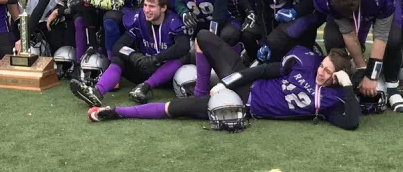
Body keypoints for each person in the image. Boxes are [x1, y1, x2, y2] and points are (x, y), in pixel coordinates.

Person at [87, 30, 359, 131]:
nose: (320, 72)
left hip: (240, 106)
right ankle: (202, 88)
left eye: (327, 71)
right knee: (204, 37)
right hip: (245, 85)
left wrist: (347, 86)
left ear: (338, 77)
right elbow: (261, 71)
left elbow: (351, 122)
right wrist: (226, 82)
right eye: (322, 66)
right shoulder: (304, 67)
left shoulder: (333, 101)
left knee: (175, 109)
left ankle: (117, 111)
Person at [70, 0, 190, 106]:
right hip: (144, 66)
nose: (147, 10)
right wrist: (134, 56)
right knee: (119, 58)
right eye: (145, 5)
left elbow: (183, 47)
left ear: (163, 8)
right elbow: (118, 46)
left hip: (165, 74)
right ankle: (97, 91)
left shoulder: (174, 21)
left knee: (184, 57)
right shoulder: (139, 18)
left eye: (152, 6)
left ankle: (145, 87)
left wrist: (155, 59)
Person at [313, 0, 403, 112]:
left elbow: (381, 35)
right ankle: (344, 83)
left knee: (393, 40)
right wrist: (362, 69)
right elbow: (347, 32)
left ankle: (392, 88)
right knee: (333, 40)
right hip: (343, 2)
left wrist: (372, 76)